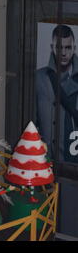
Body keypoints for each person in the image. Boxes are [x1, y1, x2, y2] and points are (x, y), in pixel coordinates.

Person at [36, 24, 78, 163]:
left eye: (68, 47)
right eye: (59, 47)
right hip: (45, 161)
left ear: (74, 48)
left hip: (72, 164)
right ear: (52, 48)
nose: (64, 53)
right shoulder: (40, 78)